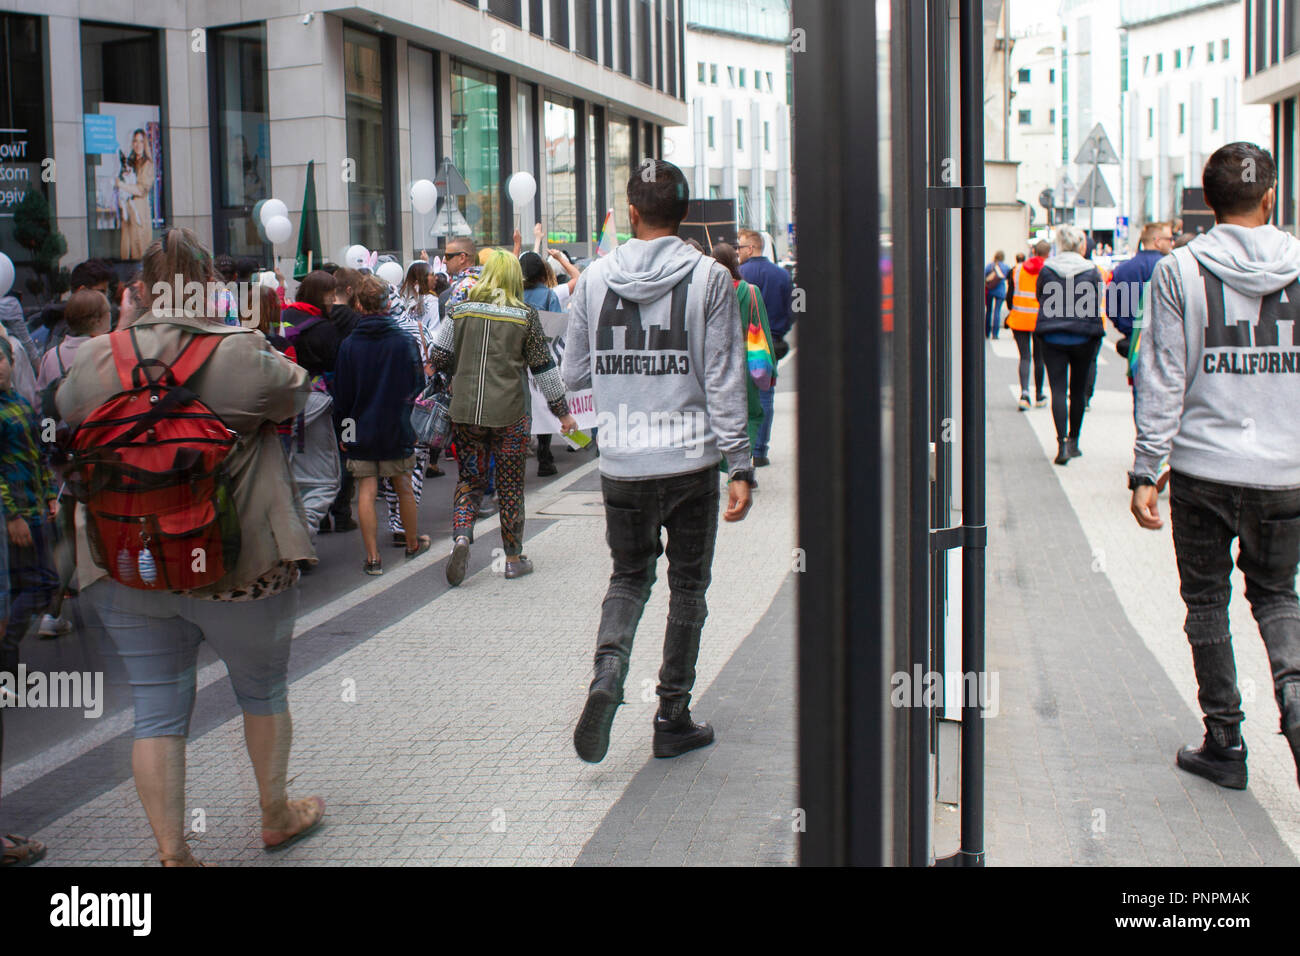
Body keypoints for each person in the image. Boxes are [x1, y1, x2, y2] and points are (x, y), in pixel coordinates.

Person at [56, 226, 323, 866]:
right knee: (261, 692)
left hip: (130, 563)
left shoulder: (95, 359)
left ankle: (174, 853)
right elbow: (298, 390)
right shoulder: (239, 353)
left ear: (139, 291)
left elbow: (67, 411)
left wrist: (125, 330)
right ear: (209, 288)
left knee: (155, 709)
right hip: (238, 564)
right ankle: (275, 816)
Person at [564, 159, 753, 764]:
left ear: (633, 212)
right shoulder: (709, 278)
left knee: (628, 577)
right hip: (690, 464)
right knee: (687, 589)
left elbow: (573, 376)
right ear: (686, 213)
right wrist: (740, 464)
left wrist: (607, 426)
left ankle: (607, 675)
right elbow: (723, 378)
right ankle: (672, 715)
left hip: (623, 466)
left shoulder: (592, 281)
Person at [1130, 142, 1300, 792]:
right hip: (1287, 472)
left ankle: (1224, 742)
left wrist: (1147, 469)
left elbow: (1165, 373)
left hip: (1205, 470)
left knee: (1207, 603)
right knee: (1279, 595)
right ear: (1270, 197)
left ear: (1208, 199)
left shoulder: (1181, 269)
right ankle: (1294, 695)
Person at [429, 250, 576, 585]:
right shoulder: (524, 315)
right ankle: (512, 558)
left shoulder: (460, 309)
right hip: (510, 412)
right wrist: (562, 413)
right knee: (510, 485)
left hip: (465, 410)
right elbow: (544, 370)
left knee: (469, 478)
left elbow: (438, 354)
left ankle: (463, 536)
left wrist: (460, 370)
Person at [332, 274, 430, 574]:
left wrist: (345, 434)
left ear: (358, 304)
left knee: (365, 489)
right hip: (397, 426)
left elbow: (343, 397)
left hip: (360, 428)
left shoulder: (349, 345)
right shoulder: (403, 341)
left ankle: (373, 558)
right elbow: (417, 385)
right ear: (388, 301)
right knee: (402, 485)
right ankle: (412, 544)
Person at [34, 289, 113, 639]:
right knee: (113, 523)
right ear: (97, 318)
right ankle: (121, 606)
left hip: (65, 458)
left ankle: (51, 613)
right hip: (105, 453)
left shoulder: (51, 355)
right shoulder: (106, 349)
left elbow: (43, 409)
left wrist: (54, 456)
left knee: (66, 532)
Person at [1036, 224, 1105, 465]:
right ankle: (1074, 441)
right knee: (1077, 391)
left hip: (1052, 336)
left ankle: (1061, 444)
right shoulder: (1092, 270)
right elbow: (1098, 298)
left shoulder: (1047, 269)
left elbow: (1040, 296)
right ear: (1080, 245)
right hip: (1083, 336)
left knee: (1057, 390)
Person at [712, 241, 776, 480]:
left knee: (720, 412)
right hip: (748, 359)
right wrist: (772, 368)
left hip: (717, 360)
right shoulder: (750, 291)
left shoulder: (709, 290)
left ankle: (725, 463)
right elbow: (763, 327)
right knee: (751, 413)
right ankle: (742, 466)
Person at [737, 228, 790, 467]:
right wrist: (780, 330)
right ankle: (760, 450)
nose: (737, 251)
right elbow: (797, 308)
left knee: (741, 397)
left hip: (742, 342)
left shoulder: (739, 274)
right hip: (771, 344)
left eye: (739, 247)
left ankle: (744, 450)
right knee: (766, 394)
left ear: (750, 248)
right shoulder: (783, 276)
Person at [1006, 240, 1049, 410]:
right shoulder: (1047, 271)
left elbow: (1010, 294)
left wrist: (1011, 309)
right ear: (1047, 254)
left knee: (1024, 356)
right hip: (1039, 320)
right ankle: (1039, 395)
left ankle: (1024, 394)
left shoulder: (1017, 269)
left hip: (1019, 318)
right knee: (1039, 358)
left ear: (1033, 251)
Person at [119, 129, 155, 260]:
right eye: (135, 141)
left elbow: (141, 189)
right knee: (126, 250)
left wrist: (122, 185)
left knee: (140, 251)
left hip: (140, 211)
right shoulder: (129, 162)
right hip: (127, 211)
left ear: (144, 144)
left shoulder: (147, 164)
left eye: (141, 141)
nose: (137, 144)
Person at [984, 250, 1010, 339]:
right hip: (1000, 291)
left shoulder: (990, 266)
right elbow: (1008, 277)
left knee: (989, 311)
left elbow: (984, 275)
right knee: (997, 311)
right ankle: (995, 334)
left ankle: (986, 332)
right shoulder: (1005, 267)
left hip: (990, 290)